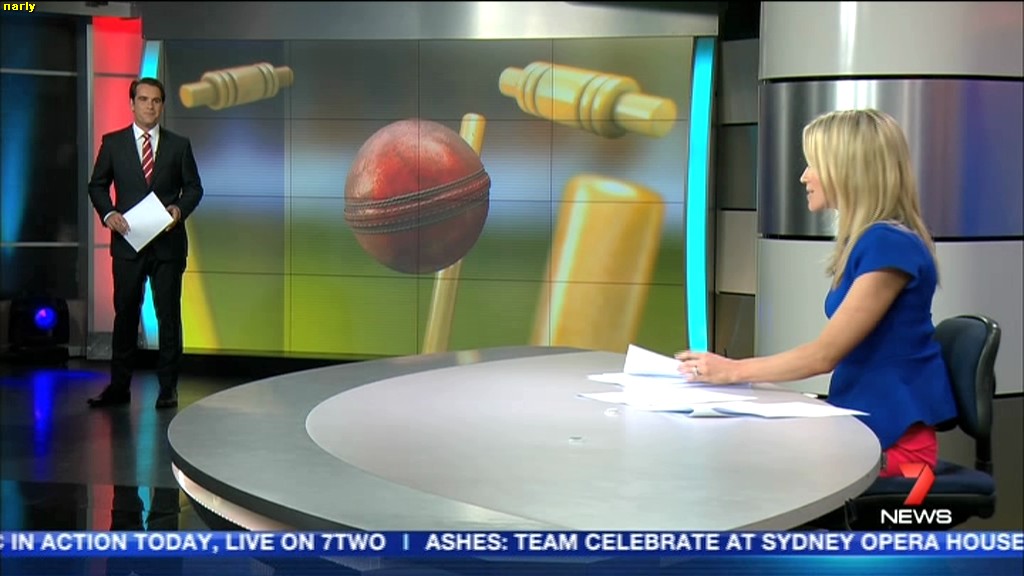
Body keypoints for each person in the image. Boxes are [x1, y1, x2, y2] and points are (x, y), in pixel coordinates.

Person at [675, 108, 957, 478]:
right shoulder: (873, 241)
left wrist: (732, 370)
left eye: (814, 165)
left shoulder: (889, 244)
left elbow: (824, 355)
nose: (804, 176)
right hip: (862, 425)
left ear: (848, 169)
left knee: (746, 464)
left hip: (893, 446)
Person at [86, 77, 204, 410]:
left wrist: (178, 210)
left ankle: (168, 388)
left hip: (167, 246)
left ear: (162, 106)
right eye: (143, 99)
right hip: (128, 245)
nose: (150, 106)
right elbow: (97, 186)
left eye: (156, 100)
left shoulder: (179, 145)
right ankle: (118, 387)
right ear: (132, 103)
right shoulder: (113, 143)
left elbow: (194, 188)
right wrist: (109, 213)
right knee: (125, 314)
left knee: (168, 317)